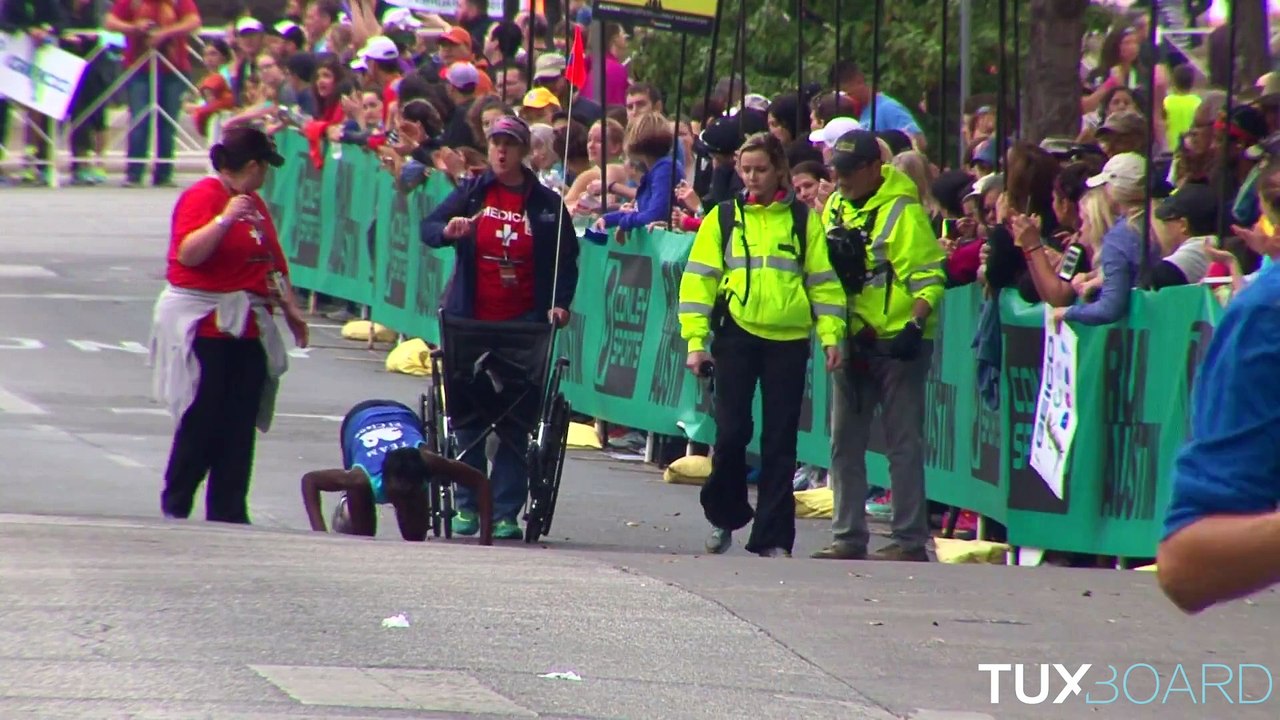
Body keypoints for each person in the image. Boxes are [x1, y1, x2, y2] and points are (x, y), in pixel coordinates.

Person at [678, 132, 847, 558]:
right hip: (736, 333)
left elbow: (823, 283)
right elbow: (699, 281)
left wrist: (831, 335)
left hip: (788, 340)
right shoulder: (723, 217)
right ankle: (724, 516)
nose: (752, 178)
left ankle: (772, 537)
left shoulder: (804, 220)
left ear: (779, 171)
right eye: (745, 169)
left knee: (780, 441)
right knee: (732, 433)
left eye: (761, 170)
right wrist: (696, 341)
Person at [420, 115, 578, 540]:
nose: (501, 151)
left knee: (515, 419)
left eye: (510, 144)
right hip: (470, 319)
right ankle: (470, 503)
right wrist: (449, 232)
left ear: (524, 150)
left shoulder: (546, 204)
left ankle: (506, 510)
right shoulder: (472, 193)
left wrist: (560, 305)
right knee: (468, 416)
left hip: (523, 324)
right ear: (487, 148)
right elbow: (428, 229)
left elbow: (568, 261)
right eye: (495, 143)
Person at [149, 127, 309, 523]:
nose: (266, 177)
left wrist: (290, 309)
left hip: (248, 326)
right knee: (204, 418)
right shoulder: (204, 196)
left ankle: (229, 507)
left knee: (240, 423)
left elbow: (272, 260)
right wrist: (223, 221)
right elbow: (188, 254)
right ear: (252, 166)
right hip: (208, 327)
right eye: (265, 168)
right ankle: (178, 500)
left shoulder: (254, 203)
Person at [810, 130, 948, 562]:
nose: (842, 180)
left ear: (874, 168)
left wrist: (915, 323)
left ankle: (909, 540)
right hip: (851, 337)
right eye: (837, 171)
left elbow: (929, 275)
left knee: (901, 441)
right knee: (843, 441)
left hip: (896, 341)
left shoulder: (903, 211)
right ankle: (848, 536)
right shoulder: (834, 204)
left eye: (850, 172)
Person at [300, 400, 493, 542]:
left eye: (407, 497)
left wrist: (486, 539)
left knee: (414, 535)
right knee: (363, 536)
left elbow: (480, 481)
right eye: (397, 496)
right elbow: (310, 481)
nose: (399, 503)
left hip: (401, 414)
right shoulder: (362, 478)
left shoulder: (429, 461)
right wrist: (320, 534)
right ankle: (347, 506)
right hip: (359, 417)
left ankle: (412, 507)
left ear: (422, 480)